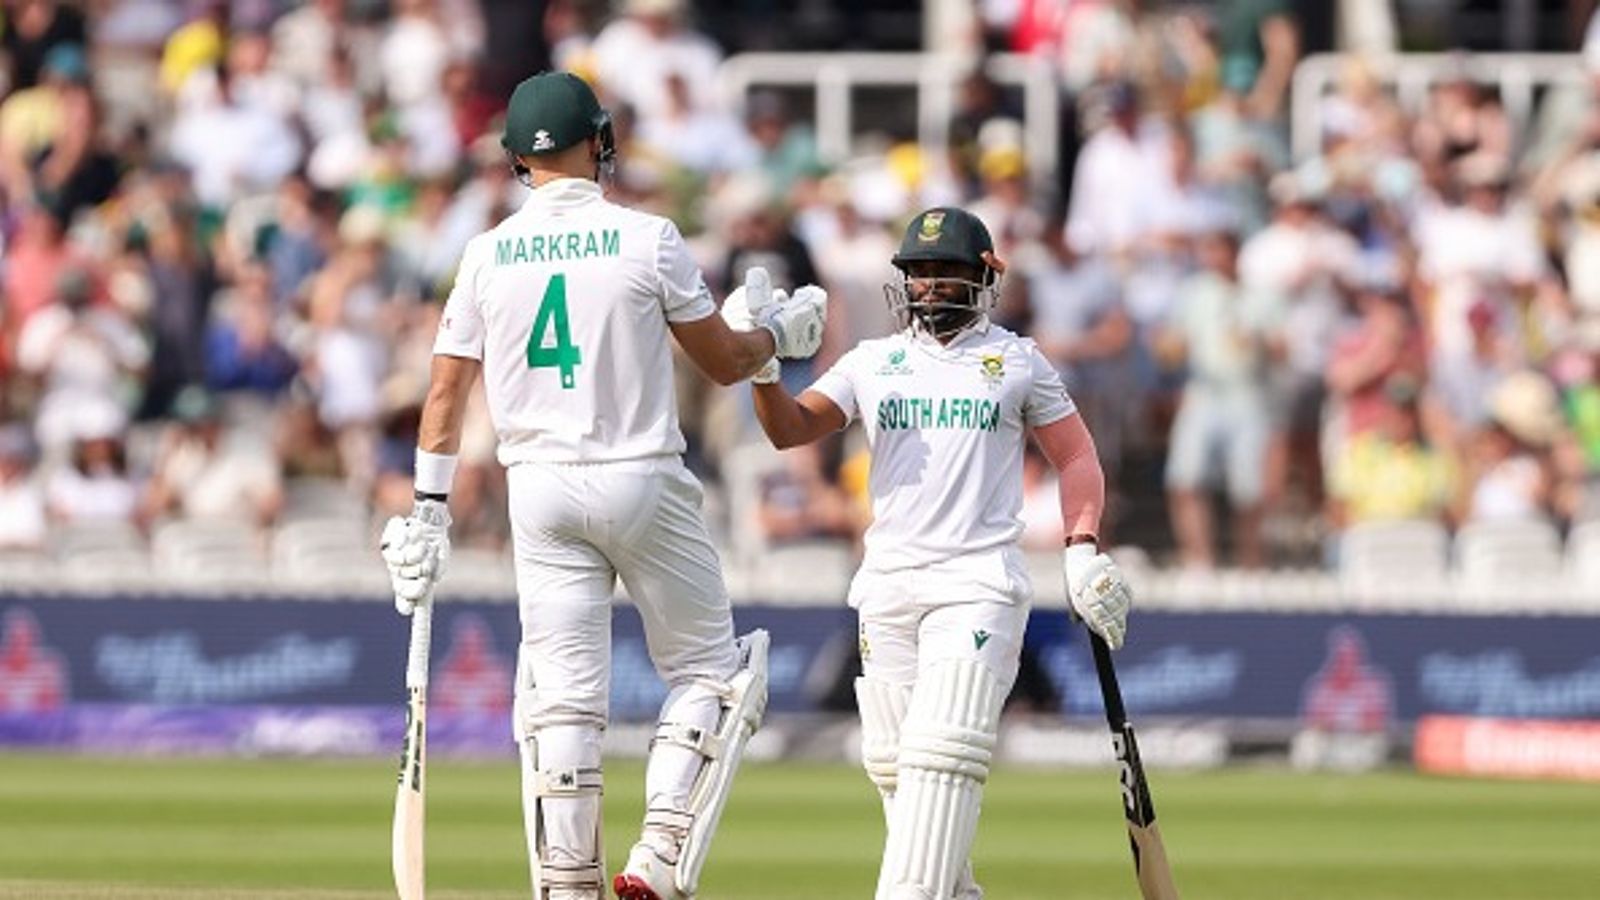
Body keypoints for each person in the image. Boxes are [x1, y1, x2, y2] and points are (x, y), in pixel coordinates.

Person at [377, 71, 828, 900]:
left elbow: (444, 394)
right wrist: (775, 338)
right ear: (600, 141)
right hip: (640, 477)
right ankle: (657, 857)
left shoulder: (484, 252)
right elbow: (725, 363)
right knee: (713, 673)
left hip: (538, 491)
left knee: (563, 705)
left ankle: (566, 882)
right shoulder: (647, 236)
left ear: (517, 158)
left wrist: (428, 513)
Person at [735, 207, 1130, 900]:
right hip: (886, 585)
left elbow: (1077, 459)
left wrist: (1081, 549)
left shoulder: (1015, 360)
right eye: (918, 274)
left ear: (983, 277)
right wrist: (765, 369)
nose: (929, 287)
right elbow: (791, 431)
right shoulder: (873, 361)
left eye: (945, 273)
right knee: (893, 765)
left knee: (940, 757)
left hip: (977, 583)